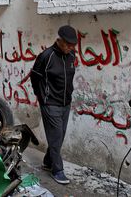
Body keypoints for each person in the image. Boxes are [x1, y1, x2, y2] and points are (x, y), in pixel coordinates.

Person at [30, 25, 77, 185]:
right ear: (60, 41)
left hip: (66, 103)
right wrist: (42, 97)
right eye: (68, 44)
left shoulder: (72, 55)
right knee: (56, 136)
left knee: (60, 135)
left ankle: (48, 161)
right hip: (50, 104)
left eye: (73, 45)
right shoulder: (46, 56)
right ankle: (58, 170)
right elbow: (35, 77)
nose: (71, 48)